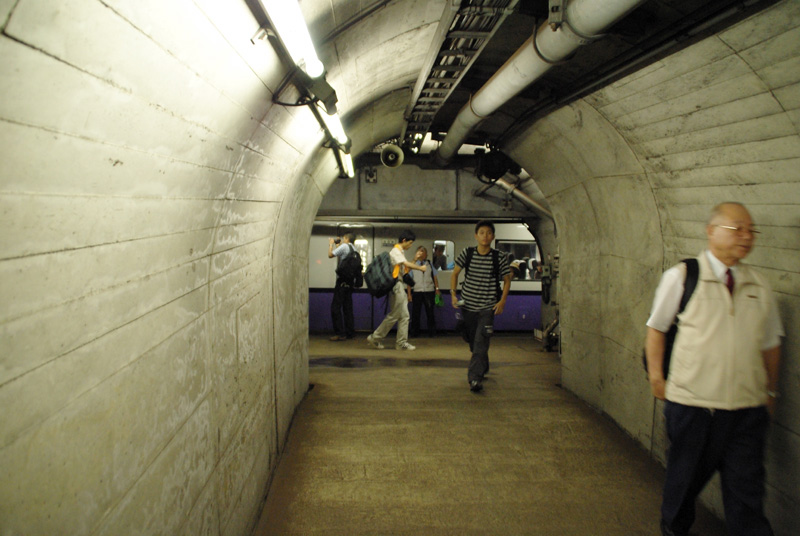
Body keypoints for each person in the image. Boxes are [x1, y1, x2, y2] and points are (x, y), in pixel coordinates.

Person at [645, 202, 783, 536]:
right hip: (694, 407)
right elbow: (656, 329)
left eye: (751, 230)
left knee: (747, 496)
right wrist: (657, 377)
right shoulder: (682, 277)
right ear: (711, 231)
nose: (747, 236)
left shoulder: (758, 284)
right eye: (738, 229)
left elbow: (771, 344)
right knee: (683, 487)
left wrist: (769, 391)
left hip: (746, 410)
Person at [450, 220, 511, 393]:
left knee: (480, 341)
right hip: (468, 306)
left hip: (487, 307)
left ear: (493, 237)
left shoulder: (499, 257)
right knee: (473, 342)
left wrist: (502, 301)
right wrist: (453, 294)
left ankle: (474, 379)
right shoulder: (467, 253)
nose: (485, 236)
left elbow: (507, 280)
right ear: (476, 236)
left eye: (489, 233)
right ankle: (483, 365)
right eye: (482, 233)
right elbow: (455, 273)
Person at [367, 230, 427, 350]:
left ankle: (401, 343)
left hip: (399, 286)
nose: (410, 245)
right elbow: (406, 265)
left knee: (404, 316)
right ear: (404, 240)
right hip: (396, 286)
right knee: (395, 314)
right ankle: (375, 337)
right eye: (410, 243)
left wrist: (414, 260)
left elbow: (405, 271)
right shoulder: (396, 251)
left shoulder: (400, 252)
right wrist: (420, 267)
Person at [328, 232, 357, 341]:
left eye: (344, 239)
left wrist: (331, 244)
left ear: (346, 238)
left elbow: (330, 255)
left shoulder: (344, 246)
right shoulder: (354, 249)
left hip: (341, 283)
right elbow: (343, 256)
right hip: (350, 283)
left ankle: (339, 333)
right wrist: (338, 246)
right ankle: (350, 333)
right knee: (347, 308)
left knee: (335, 308)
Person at [407, 246, 440, 338]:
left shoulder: (429, 264)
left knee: (430, 312)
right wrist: (409, 294)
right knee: (415, 313)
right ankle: (414, 332)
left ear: (426, 254)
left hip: (429, 291)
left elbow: (435, 277)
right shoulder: (413, 265)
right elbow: (409, 280)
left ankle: (432, 332)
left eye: (423, 252)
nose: (421, 253)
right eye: (420, 251)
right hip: (417, 291)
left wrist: (437, 289)